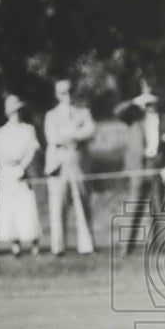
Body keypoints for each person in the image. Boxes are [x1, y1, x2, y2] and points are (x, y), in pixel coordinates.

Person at [43, 79, 95, 255]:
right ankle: (58, 247)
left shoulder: (84, 112)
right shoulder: (51, 115)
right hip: (58, 164)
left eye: (70, 91)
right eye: (64, 92)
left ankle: (87, 246)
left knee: (82, 202)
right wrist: (75, 134)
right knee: (57, 205)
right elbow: (53, 138)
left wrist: (68, 133)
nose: (68, 96)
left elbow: (90, 131)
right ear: (58, 95)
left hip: (78, 163)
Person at [0, 95, 41, 256]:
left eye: (18, 111)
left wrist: (23, 167)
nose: (15, 114)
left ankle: (33, 241)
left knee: (27, 206)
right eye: (12, 111)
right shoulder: (1, 132)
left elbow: (32, 150)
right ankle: (15, 243)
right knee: (9, 207)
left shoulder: (28, 129)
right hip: (7, 173)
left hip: (23, 171)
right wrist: (8, 168)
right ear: (7, 113)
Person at [118, 89, 165, 254]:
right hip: (139, 167)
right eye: (147, 104)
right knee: (134, 206)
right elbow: (118, 112)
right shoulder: (135, 119)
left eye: (152, 103)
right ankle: (126, 248)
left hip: (157, 166)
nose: (150, 107)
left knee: (158, 207)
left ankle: (159, 246)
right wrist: (135, 101)